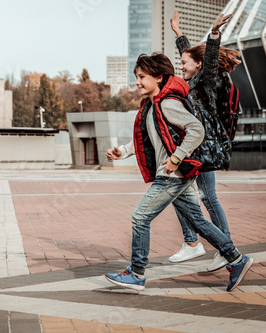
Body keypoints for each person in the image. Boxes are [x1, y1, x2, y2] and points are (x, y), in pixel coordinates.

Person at [104, 52, 253, 292]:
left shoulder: (167, 103)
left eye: (142, 77)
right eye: (137, 77)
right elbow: (149, 141)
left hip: (172, 175)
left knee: (140, 217)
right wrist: (122, 151)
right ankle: (236, 260)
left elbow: (197, 130)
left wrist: (175, 158)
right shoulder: (152, 106)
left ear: (159, 78)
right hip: (176, 174)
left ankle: (137, 273)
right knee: (197, 221)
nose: (138, 82)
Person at [167, 11, 241, 273]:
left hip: (205, 148)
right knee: (191, 193)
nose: (181, 66)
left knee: (197, 195)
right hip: (200, 147)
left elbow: (207, 59)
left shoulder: (206, 80)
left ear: (198, 65)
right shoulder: (195, 81)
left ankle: (216, 246)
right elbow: (192, 55)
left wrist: (213, 32)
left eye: (185, 62)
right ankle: (205, 245)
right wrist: (178, 33)